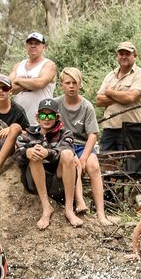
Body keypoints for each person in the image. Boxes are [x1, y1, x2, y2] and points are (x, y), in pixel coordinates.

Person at [14, 98, 82, 229]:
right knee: (35, 153)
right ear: (37, 117)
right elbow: (16, 155)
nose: (46, 119)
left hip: (59, 181)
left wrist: (48, 153)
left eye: (50, 115)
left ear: (57, 117)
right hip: (35, 182)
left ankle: (69, 209)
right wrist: (27, 152)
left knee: (68, 154)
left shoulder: (65, 134)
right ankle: (46, 208)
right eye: (43, 115)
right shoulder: (27, 135)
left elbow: (66, 149)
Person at [55, 67, 107, 224]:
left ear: (80, 85)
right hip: (63, 144)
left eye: (74, 83)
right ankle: (79, 201)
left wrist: (84, 157)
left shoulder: (86, 106)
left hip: (82, 145)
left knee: (94, 166)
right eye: (68, 83)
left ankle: (101, 214)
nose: (71, 86)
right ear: (61, 85)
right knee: (74, 163)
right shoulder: (56, 103)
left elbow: (92, 134)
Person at [95, 41, 141, 152]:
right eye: (121, 54)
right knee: (107, 162)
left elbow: (130, 98)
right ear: (117, 56)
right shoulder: (110, 76)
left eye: (127, 54)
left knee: (129, 164)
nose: (124, 56)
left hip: (131, 129)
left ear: (135, 56)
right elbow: (98, 101)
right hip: (109, 128)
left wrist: (110, 92)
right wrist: (121, 96)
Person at [9, 32, 57, 125]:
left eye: (37, 43)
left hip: (42, 120)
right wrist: (29, 84)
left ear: (43, 47)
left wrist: (18, 80)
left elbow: (40, 83)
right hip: (18, 121)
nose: (33, 46)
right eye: (30, 43)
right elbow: (8, 88)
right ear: (26, 46)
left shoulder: (48, 65)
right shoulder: (18, 66)